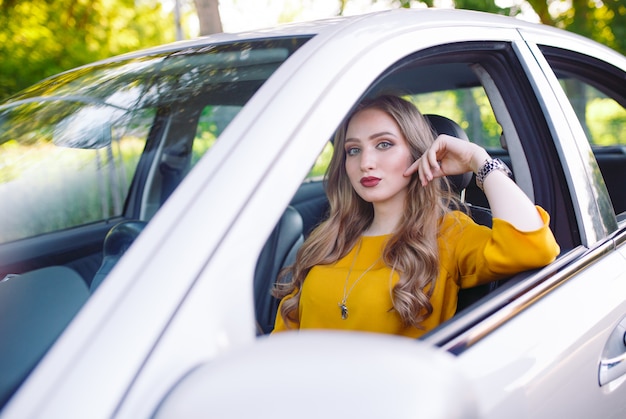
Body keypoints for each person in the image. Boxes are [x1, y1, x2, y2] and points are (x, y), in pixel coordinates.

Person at [272, 94, 559, 338]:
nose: (365, 163)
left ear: (417, 152)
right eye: (353, 150)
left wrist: (478, 160)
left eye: (383, 144)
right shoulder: (328, 238)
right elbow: (284, 338)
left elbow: (533, 248)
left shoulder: (448, 234)